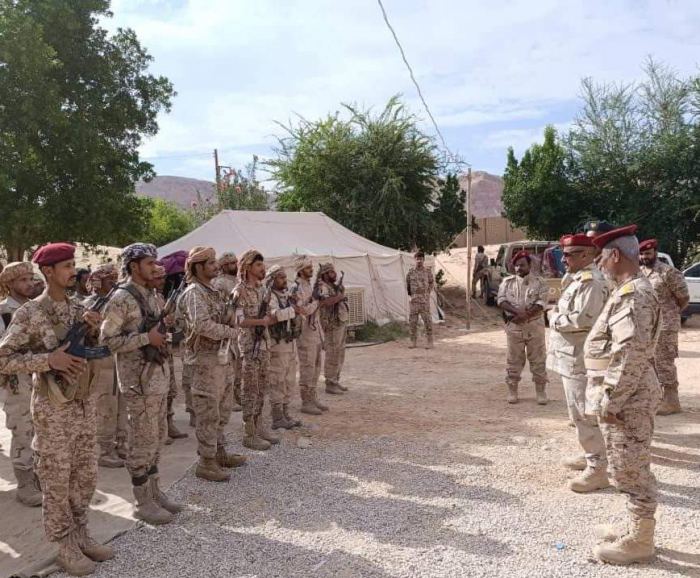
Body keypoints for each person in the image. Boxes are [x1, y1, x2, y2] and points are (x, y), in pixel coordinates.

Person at [0, 243, 113, 576]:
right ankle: (64, 545)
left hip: (82, 404)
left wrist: (92, 332)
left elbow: (90, 350)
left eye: (73, 265)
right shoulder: (30, 313)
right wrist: (48, 360)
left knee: (85, 475)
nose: (73, 272)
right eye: (66, 266)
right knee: (57, 479)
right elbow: (4, 358)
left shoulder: (78, 308)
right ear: (47, 271)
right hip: (52, 410)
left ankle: (81, 534)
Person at [584, 225, 662, 565]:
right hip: (626, 394)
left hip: (628, 398)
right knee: (624, 465)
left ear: (615, 255)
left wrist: (610, 401)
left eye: (601, 257)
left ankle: (641, 541)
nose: (599, 264)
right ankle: (635, 528)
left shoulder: (634, 296)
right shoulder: (627, 291)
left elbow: (630, 353)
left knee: (631, 469)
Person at [100, 243, 181, 525]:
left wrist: (165, 328)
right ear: (134, 266)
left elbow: (158, 332)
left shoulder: (152, 295)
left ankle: (155, 491)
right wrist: (147, 338)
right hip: (138, 382)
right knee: (141, 441)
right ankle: (142, 500)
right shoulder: (121, 298)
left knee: (157, 437)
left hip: (157, 378)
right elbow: (108, 340)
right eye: (149, 263)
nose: (155, 268)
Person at [547, 234, 611, 491]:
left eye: (568, 254)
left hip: (581, 357)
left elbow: (582, 320)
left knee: (584, 413)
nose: (563, 259)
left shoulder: (591, 282)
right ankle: (590, 456)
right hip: (570, 355)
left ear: (586, 255)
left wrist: (553, 318)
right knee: (577, 412)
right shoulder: (576, 278)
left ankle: (597, 469)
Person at [180, 246, 246, 480]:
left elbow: (223, 317)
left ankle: (219, 453)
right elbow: (202, 325)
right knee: (208, 413)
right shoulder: (194, 293)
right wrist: (230, 332)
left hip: (221, 360)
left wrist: (234, 305)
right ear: (198, 267)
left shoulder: (212, 292)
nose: (216, 266)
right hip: (205, 363)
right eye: (210, 263)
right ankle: (206, 462)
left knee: (222, 410)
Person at [0, 261, 43, 506]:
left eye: (31, 279)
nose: (29, 284)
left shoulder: (36, 308)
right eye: (23, 280)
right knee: (22, 429)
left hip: (40, 379)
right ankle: (25, 484)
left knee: (39, 429)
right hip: (15, 382)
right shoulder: (4, 312)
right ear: (9, 284)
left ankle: (37, 476)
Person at [232, 249, 279, 449]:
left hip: (263, 345)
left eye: (262, 264)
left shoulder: (262, 290)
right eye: (258, 265)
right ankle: (249, 433)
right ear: (247, 267)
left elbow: (268, 315)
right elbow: (239, 320)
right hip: (249, 346)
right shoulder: (239, 291)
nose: (262, 268)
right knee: (250, 389)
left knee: (262, 387)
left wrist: (272, 317)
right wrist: (261, 321)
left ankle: (259, 426)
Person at [84, 263, 127, 468]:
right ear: (98, 282)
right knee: (104, 406)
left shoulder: (117, 302)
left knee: (121, 405)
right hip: (99, 362)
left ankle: (121, 444)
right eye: (110, 280)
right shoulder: (88, 305)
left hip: (117, 358)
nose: (114, 283)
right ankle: (104, 449)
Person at [640, 239, 689, 415]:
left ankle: (672, 401)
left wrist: (670, 313)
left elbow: (683, 298)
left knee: (664, 362)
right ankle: (657, 398)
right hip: (647, 325)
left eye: (648, 253)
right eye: (641, 254)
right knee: (650, 362)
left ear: (655, 252)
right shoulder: (640, 273)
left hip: (666, 325)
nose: (644, 257)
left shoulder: (668, 272)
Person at [497, 250, 549, 405]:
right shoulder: (507, 282)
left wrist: (525, 315)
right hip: (515, 327)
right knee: (514, 360)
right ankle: (512, 390)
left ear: (529, 265)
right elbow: (501, 300)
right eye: (516, 265)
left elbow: (541, 302)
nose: (519, 268)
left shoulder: (540, 282)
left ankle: (541, 392)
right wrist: (517, 313)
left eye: (522, 265)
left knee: (538, 360)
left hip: (534, 327)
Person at [149, 263, 188, 444]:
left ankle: (168, 422)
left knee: (170, 390)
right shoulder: (144, 299)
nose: (162, 281)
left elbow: (171, 326)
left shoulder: (159, 297)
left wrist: (171, 323)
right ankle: (158, 428)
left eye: (163, 277)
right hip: (152, 351)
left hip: (166, 350)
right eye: (158, 277)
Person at [266, 265, 303, 429]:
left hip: (289, 343)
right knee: (278, 380)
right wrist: (292, 309)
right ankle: (277, 417)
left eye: (284, 277)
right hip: (278, 345)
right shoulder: (269, 296)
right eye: (280, 277)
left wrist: (295, 303)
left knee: (289, 380)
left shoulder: (285, 295)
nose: (284, 280)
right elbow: (275, 315)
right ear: (272, 280)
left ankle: (285, 413)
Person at [293, 255, 328, 415]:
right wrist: (315, 301)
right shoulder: (296, 288)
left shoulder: (308, 285)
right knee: (307, 368)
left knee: (316, 368)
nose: (311, 270)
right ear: (300, 270)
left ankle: (313, 398)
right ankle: (306, 402)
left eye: (311, 267)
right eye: (308, 268)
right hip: (305, 334)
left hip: (315, 332)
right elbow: (303, 310)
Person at [212, 251, 243, 412]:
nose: (235, 265)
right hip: (228, 328)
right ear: (224, 266)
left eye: (236, 262)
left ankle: (237, 395)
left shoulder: (238, 281)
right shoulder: (220, 283)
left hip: (239, 328)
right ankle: (228, 400)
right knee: (229, 365)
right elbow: (219, 307)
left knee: (238, 366)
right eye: (232, 263)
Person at [316, 262, 349, 394]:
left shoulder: (332, 286)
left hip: (339, 321)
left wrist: (340, 292)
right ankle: (330, 383)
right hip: (331, 324)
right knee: (333, 353)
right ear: (324, 274)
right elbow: (324, 302)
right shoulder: (322, 287)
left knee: (340, 353)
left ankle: (335, 379)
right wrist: (339, 297)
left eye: (334, 271)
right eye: (331, 272)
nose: (334, 274)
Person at [405, 250, 434, 349]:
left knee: (427, 321)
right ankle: (413, 342)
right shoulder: (411, 272)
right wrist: (410, 296)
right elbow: (408, 285)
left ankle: (430, 342)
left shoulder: (427, 271)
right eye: (417, 259)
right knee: (413, 322)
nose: (419, 261)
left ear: (424, 260)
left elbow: (431, 282)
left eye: (421, 259)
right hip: (414, 301)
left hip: (424, 301)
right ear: (414, 259)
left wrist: (427, 293)